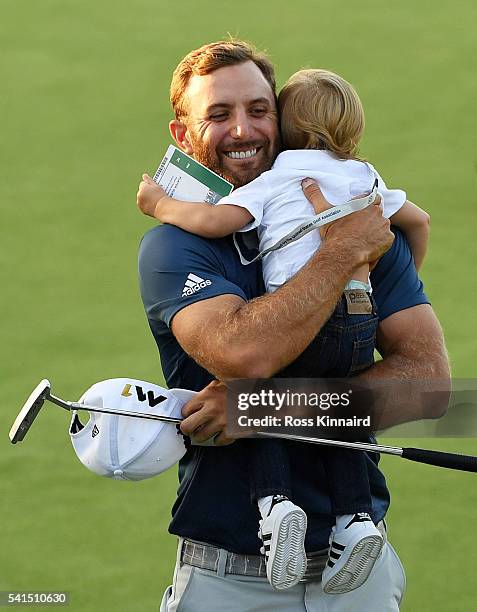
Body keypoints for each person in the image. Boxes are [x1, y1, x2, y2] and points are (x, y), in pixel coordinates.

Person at [137, 40, 449, 612]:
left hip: (360, 576)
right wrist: (343, 253)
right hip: (228, 579)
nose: (243, 131)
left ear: (282, 117)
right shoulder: (173, 249)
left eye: (259, 110)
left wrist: (257, 409)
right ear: (181, 136)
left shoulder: (360, 218)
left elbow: (428, 385)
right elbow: (246, 355)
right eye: (218, 115)